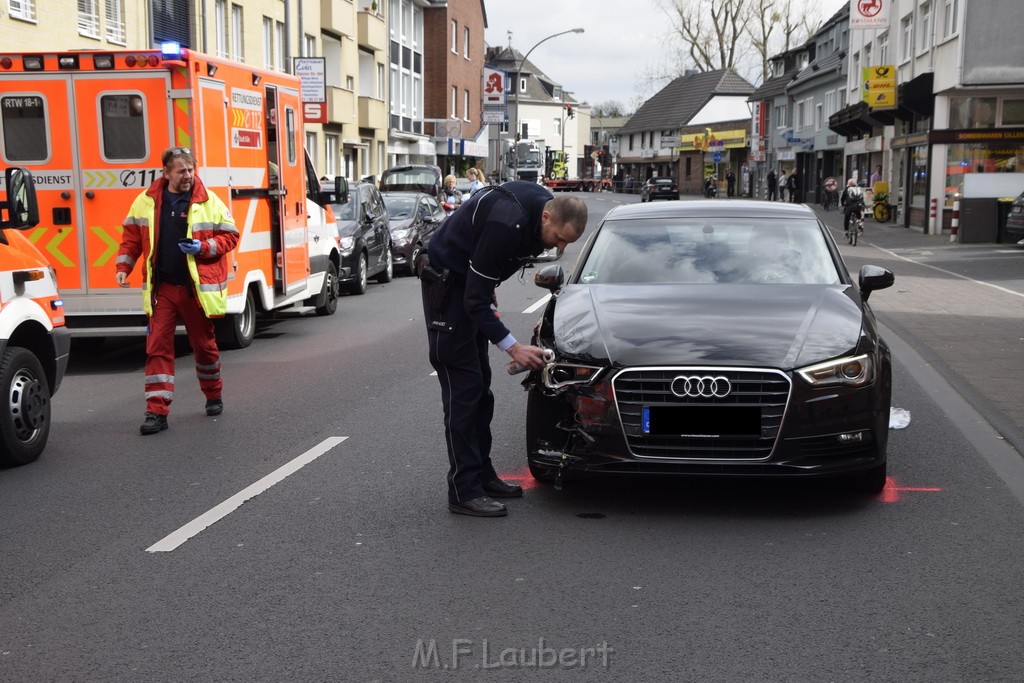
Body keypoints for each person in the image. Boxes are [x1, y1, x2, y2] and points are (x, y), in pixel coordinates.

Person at [421, 183, 587, 517]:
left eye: (568, 242)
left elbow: (481, 281)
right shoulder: (506, 224)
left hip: (465, 285)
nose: (560, 248)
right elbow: (473, 301)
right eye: (558, 237)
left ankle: (482, 476)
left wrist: (484, 285)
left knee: (482, 391)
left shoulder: (540, 208)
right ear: (546, 216)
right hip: (448, 289)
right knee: (463, 393)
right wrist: (514, 349)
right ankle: (463, 491)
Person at [116, 146, 238, 435]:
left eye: (191, 170)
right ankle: (156, 412)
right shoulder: (146, 202)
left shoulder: (209, 200)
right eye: (181, 170)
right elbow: (131, 237)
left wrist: (204, 247)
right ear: (166, 172)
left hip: (195, 291)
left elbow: (231, 235)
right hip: (164, 289)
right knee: (157, 348)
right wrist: (124, 266)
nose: (188, 176)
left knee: (204, 347)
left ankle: (213, 394)